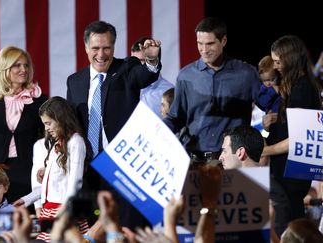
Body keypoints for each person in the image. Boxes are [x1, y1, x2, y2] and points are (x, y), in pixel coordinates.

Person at [66, 20, 161, 229]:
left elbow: (145, 76)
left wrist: (151, 59)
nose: (101, 54)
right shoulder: (74, 81)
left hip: (121, 165)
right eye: (96, 48)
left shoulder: (127, 68)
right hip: (88, 167)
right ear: (85, 48)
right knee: (92, 224)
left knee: (124, 224)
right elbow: (71, 125)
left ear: (114, 47)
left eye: (106, 48)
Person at [164, 17, 260, 162]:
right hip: (194, 160)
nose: (204, 50)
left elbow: (270, 105)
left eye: (210, 44)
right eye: (200, 44)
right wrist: (154, 132)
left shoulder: (246, 74)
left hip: (233, 161)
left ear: (224, 41)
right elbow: (176, 118)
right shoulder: (186, 76)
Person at [262, 35, 322, 237]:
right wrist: (270, 125)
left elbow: (299, 139)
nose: (276, 67)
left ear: (291, 59)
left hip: (291, 176)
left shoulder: (302, 89)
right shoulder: (294, 87)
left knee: (289, 230)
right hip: (286, 172)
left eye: (278, 62)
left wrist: (265, 150)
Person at [0, 45, 47, 204]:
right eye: (17, 65)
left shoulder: (39, 101)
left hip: (29, 174)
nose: (23, 69)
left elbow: (47, 139)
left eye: (26, 65)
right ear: (5, 68)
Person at [13, 96, 89, 241]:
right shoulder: (56, 145)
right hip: (50, 211)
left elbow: (75, 182)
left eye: (48, 123)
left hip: (62, 211)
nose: (46, 128)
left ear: (60, 119)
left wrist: (65, 211)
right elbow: (49, 186)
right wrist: (25, 200)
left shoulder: (76, 142)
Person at [131, 36, 174, 118]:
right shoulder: (123, 87)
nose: (136, 67)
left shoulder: (170, 93)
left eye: (142, 62)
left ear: (156, 61)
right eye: (133, 62)